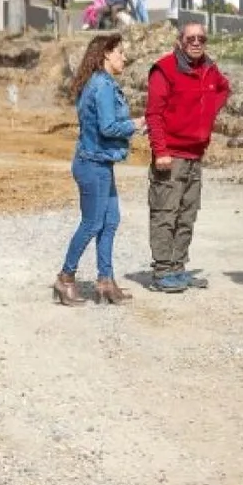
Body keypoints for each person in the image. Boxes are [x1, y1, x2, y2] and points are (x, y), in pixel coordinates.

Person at [53, 32, 147, 307]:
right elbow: (108, 127)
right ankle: (65, 277)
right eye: (119, 52)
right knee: (93, 223)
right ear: (106, 53)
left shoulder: (96, 82)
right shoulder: (103, 86)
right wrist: (136, 124)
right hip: (93, 165)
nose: (124, 57)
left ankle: (105, 280)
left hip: (98, 162)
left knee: (110, 220)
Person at [144, 20, 231, 293]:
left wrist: (206, 117)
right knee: (165, 213)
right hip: (171, 156)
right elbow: (154, 115)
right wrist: (161, 151)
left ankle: (178, 267)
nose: (196, 43)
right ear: (181, 41)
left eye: (201, 39)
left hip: (195, 156)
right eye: (191, 38)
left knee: (187, 215)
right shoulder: (164, 69)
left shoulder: (209, 69)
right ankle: (162, 271)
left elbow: (223, 89)